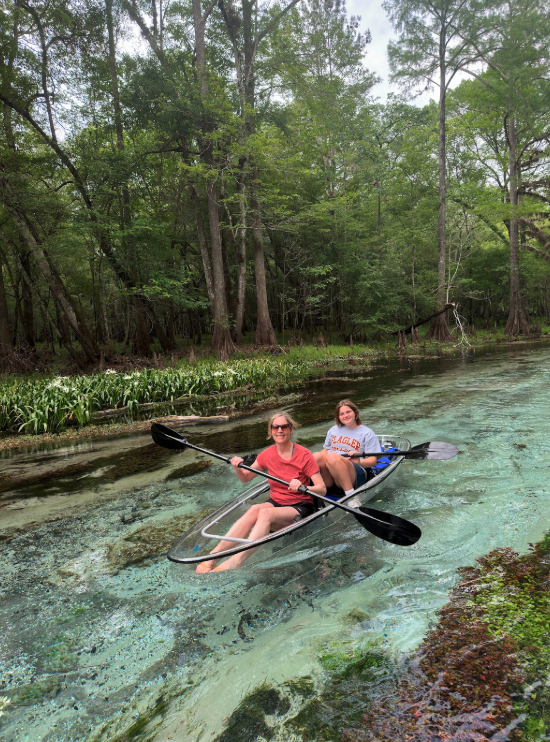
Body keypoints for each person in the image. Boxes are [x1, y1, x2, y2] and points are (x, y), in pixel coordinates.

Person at [195, 412, 326, 573]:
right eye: (275, 427)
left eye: (283, 426)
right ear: (271, 431)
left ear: (291, 429)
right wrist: (237, 468)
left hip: (300, 506)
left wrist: (303, 486)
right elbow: (246, 478)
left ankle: (236, 560)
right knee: (255, 509)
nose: (279, 430)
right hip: (276, 502)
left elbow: (321, 488)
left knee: (265, 514)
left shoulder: (304, 455)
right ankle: (213, 556)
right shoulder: (267, 454)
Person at [313, 399, 381, 500]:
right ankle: (313, 488)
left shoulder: (367, 433)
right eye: (342, 414)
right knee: (315, 456)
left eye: (348, 412)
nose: (345, 415)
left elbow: (373, 461)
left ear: (355, 412)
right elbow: (325, 451)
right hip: (332, 476)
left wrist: (359, 461)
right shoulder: (333, 430)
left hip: (355, 471)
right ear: (338, 417)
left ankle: (351, 495)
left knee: (332, 457)